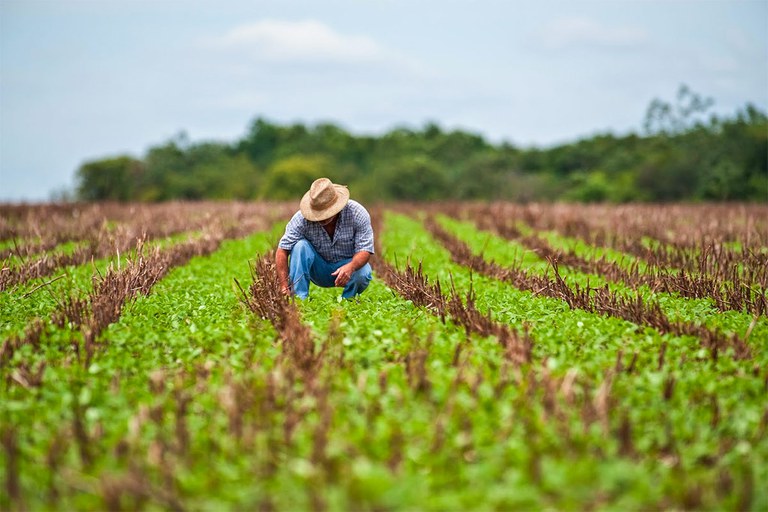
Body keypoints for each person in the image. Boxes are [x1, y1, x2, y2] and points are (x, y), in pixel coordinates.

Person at [276, 177, 374, 299]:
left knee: (363, 272)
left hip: (347, 266)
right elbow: (282, 250)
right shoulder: (301, 219)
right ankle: (299, 300)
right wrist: (284, 286)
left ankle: (348, 301)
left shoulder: (357, 213)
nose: (322, 218)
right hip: (318, 269)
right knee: (300, 246)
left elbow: (365, 249)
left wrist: (351, 266)